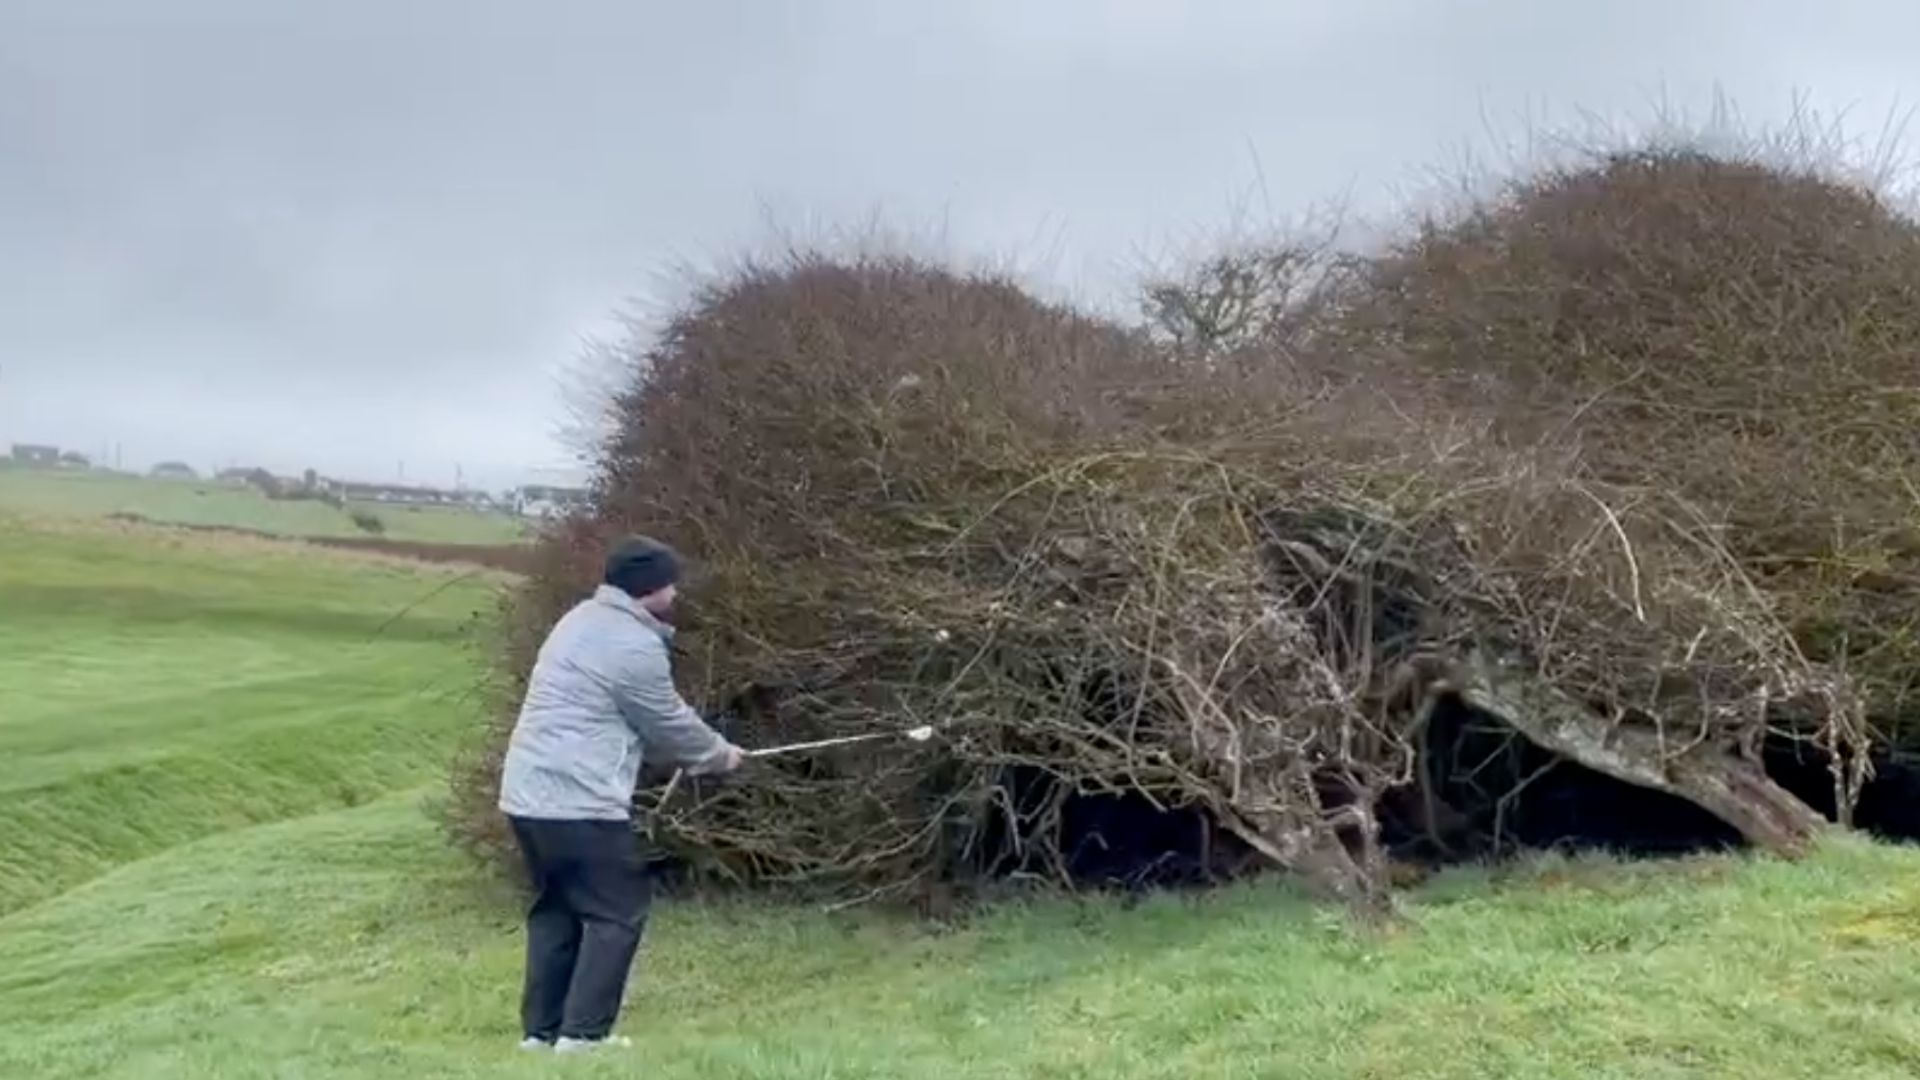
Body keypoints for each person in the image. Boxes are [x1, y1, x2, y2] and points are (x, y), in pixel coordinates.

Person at [497, 535, 744, 1054]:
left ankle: (540, 1035)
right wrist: (719, 755)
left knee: (557, 910)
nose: (676, 593)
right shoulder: (632, 645)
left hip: (526, 795)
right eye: (669, 583)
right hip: (576, 800)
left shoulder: (579, 621)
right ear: (648, 589)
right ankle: (584, 1037)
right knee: (616, 912)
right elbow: (665, 721)